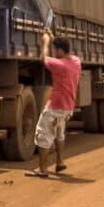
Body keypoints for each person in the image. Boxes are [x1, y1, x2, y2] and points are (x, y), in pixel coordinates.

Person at [25, 32, 82, 178]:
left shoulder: (59, 65)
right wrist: (53, 37)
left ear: (60, 51)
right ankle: (60, 161)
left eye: (55, 49)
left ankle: (43, 170)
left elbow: (43, 58)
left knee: (43, 135)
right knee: (59, 133)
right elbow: (63, 54)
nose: (54, 52)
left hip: (55, 106)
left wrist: (45, 41)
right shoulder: (76, 62)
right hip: (67, 107)